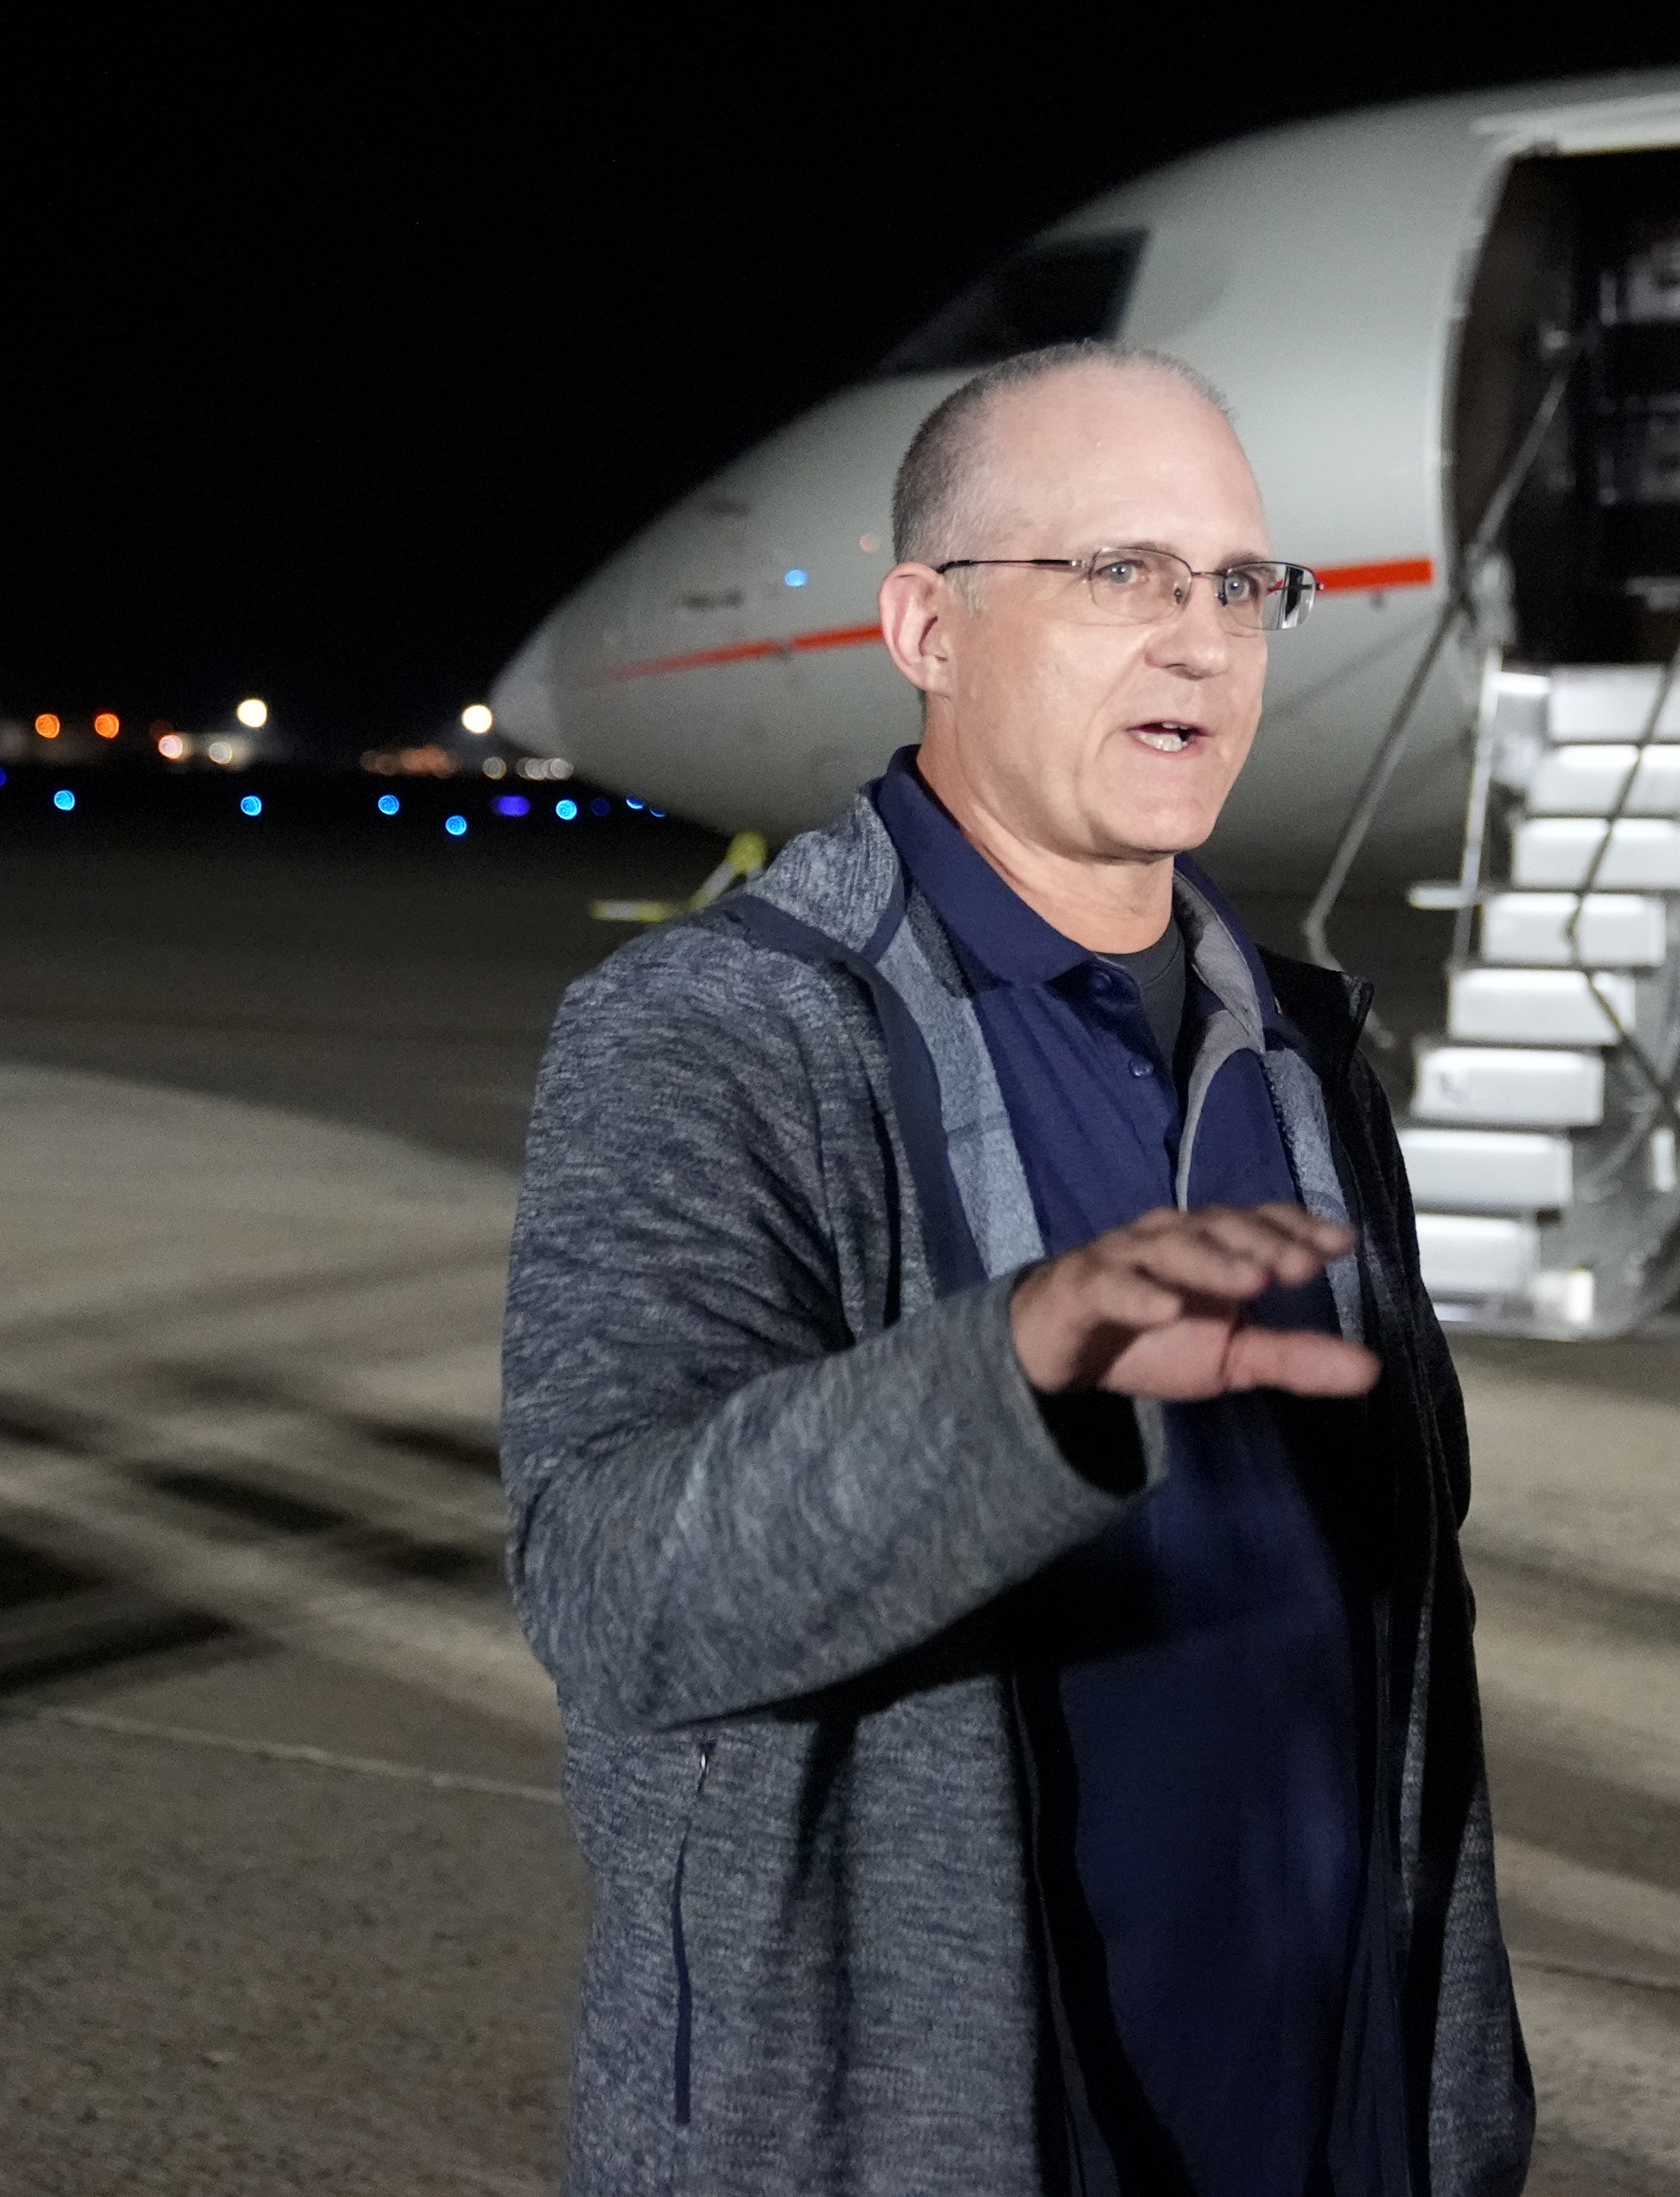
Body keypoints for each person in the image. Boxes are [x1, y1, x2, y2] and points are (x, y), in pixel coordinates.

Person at [501, 341, 1532, 2197]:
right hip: (946, 2122)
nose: (1199, 639)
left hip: (1324, 2110)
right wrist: (1019, 1373)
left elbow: (1395, 1624)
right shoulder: (713, 1033)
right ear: (927, 626)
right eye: (1118, 573)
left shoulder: (1299, 1050)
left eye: (1237, 583)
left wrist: (1452, 2099)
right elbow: (611, 1580)